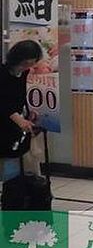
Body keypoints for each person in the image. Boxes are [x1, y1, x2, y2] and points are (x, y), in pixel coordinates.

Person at [0, 40, 43, 181]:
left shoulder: (24, 74)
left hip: (17, 125)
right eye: (26, 63)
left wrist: (29, 112)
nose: (28, 67)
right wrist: (17, 118)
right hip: (5, 125)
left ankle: (18, 189)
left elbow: (20, 97)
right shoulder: (3, 73)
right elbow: (3, 102)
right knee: (8, 161)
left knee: (21, 158)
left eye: (31, 63)